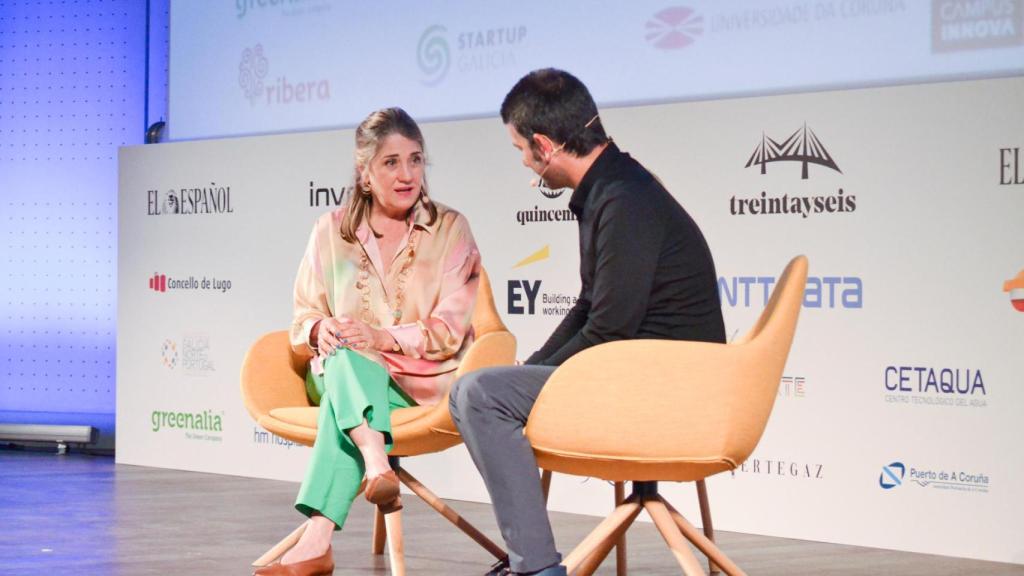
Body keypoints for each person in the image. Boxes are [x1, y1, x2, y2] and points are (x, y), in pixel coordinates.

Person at [449, 69, 726, 576]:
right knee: (479, 389)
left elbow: (608, 331)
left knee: (479, 395)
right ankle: (531, 562)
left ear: (544, 145)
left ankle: (536, 568)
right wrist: (530, 370)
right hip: (636, 372)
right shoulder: (610, 188)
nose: (524, 165)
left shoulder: (625, 198)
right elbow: (588, 308)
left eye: (519, 151)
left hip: (669, 392)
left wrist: (527, 382)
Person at [256, 107, 481, 576]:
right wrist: (322, 330)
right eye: (391, 162)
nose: (407, 175)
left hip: (417, 386)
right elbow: (303, 316)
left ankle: (317, 541)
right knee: (342, 352)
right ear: (364, 172)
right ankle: (376, 459)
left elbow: (451, 329)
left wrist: (381, 337)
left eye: (416, 160)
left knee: (348, 377)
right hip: (340, 370)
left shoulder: (450, 229)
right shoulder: (329, 232)